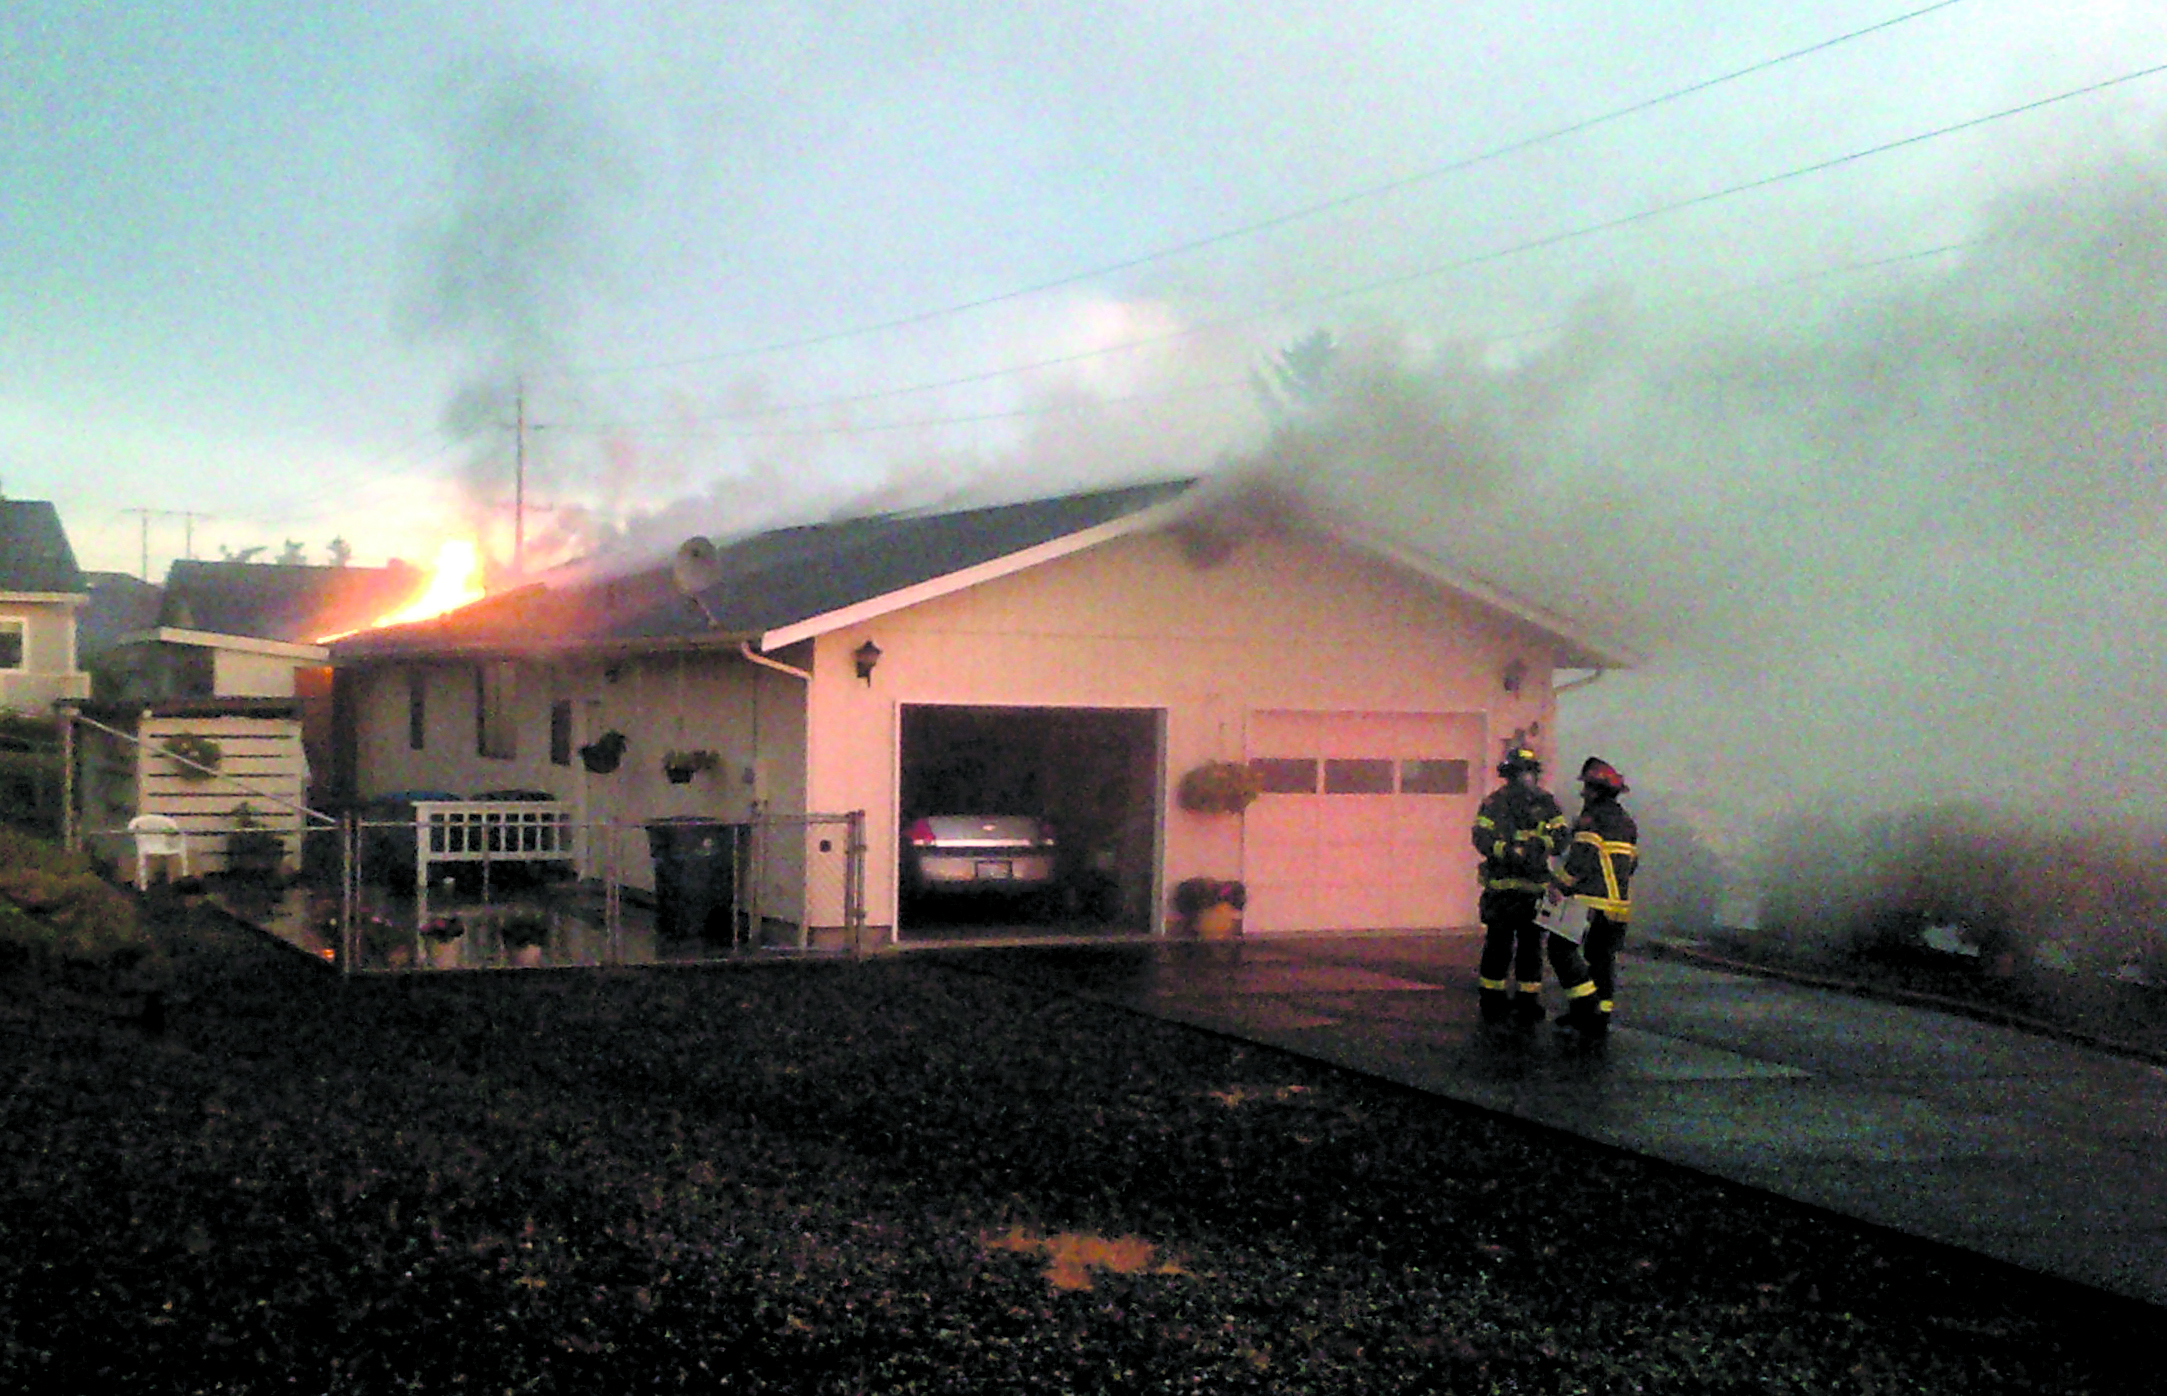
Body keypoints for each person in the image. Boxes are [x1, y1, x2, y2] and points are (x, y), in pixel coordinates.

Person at [1470, 745, 1569, 1028]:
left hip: (1533, 890)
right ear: (1508, 775)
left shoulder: (1548, 804)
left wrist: (1540, 847)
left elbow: (1562, 837)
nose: (1524, 779)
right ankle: (1492, 999)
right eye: (1518, 773)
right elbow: (1480, 837)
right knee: (1498, 945)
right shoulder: (1494, 803)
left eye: (1527, 773)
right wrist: (1508, 851)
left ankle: (1528, 1000)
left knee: (1530, 948)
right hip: (1501, 888)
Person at [1551, 756, 1639, 1041]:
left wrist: (1558, 885)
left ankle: (1584, 1008)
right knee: (1601, 957)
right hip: (1618, 906)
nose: (1582, 793)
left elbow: (1580, 861)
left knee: (1559, 948)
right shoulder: (1626, 822)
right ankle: (1601, 1014)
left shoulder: (1592, 819)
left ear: (1596, 790)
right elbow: (1632, 864)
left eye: (1586, 788)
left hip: (1590, 902)